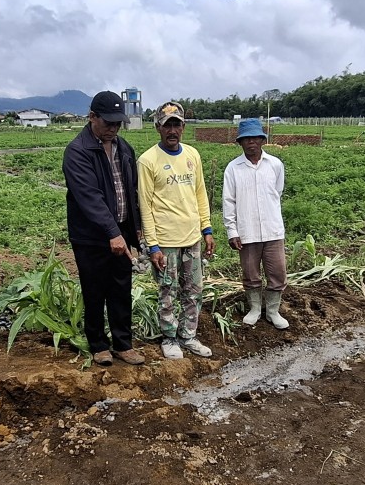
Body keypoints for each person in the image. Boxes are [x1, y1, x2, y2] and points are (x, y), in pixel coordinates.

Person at [62, 91, 145, 366]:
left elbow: (131, 191)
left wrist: (135, 228)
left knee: (121, 287)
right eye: (108, 122)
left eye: (118, 123)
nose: (113, 128)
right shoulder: (78, 151)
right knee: (95, 288)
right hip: (91, 235)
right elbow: (90, 198)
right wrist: (112, 233)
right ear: (92, 117)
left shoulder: (124, 148)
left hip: (120, 228)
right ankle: (98, 344)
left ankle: (123, 344)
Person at [137, 101, 215, 359]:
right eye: (167, 125)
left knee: (193, 291)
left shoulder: (192, 155)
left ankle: (189, 335)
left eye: (177, 125)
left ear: (183, 127)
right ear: (158, 127)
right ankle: (169, 338)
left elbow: (200, 193)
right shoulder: (148, 161)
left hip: (192, 238)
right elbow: (145, 206)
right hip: (166, 241)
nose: (172, 130)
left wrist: (207, 228)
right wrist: (153, 246)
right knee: (167, 291)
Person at [222, 118, 289, 329]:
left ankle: (272, 311)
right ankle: (254, 308)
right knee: (250, 273)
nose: (251, 142)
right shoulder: (233, 169)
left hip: (273, 230)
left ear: (262, 140)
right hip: (247, 230)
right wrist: (232, 231)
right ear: (240, 143)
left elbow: (277, 192)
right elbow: (228, 201)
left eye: (255, 138)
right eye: (246, 139)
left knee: (277, 272)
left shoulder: (275, 165)